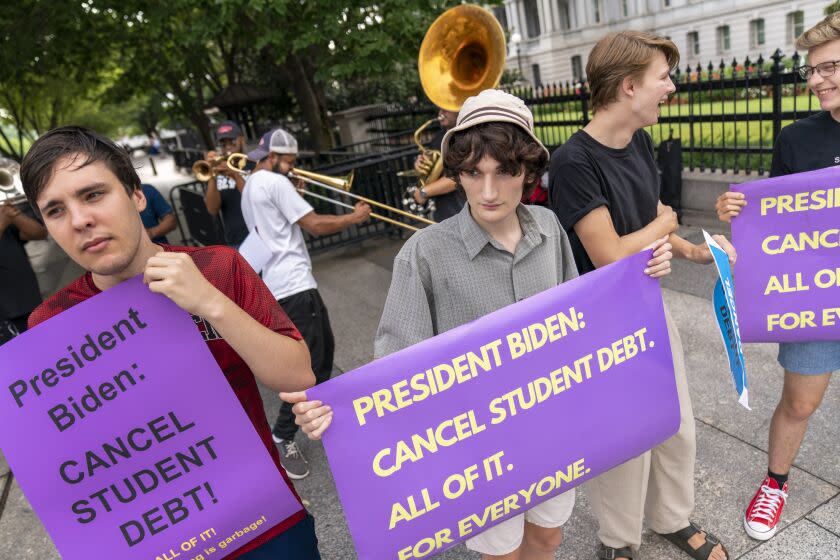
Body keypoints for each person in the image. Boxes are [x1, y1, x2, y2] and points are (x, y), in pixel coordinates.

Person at [284, 89, 675, 560]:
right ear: (458, 173)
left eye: (505, 172)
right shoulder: (424, 253)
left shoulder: (550, 228)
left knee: (549, 536)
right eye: (472, 173)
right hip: (481, 451)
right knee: (502, 552)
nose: (488, 191)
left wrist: (638, 276)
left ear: (528, 171)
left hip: (552, 428)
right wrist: (337, 413)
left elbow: (581, 319)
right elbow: (393, 368)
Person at [19, 126, 322, 559]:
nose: (80, 221)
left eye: (93, 195)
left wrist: (210, 303)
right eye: (55, 210)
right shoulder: (51, 324)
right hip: (157, 539)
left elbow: (296, 374)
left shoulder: (219, 268)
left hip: (265, 525)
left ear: (137, 196)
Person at [549, 31, 736, 560]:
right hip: (599, 322)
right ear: (629, 86)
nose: (670, 88)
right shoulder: (573, 162)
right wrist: (666, 222)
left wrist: (693, 250)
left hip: (647, 304)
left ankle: (672, 519)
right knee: (623, 441)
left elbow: (646, 222)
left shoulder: (639, 141)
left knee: (675, 422)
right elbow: (609, 253)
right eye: (663, 78)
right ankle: (619, 542)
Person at [715, 12, 840, 542]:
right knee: (800, 403)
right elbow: (776, 222)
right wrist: (737, 215)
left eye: (829, 66)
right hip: (816, 297)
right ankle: (775, 482)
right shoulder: (797, 139)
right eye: (811, 71)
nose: (816, 80)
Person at [240, 127, 371, 480]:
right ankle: (283, 435)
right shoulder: (275, 182)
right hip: (294, 284)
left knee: (320, 355)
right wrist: (354, 218)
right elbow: (314, 225)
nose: (294, 167)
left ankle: (322, 422)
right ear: (273, 158)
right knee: (314, 362)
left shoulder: (251, 184)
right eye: (291, 161)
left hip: (279, 285)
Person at [0, 200, 47, 344]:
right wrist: (2, 224)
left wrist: (15, 215)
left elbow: (39, 233)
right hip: (6, 313)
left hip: (29, 300)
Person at [412, 106, 466, 220]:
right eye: (439, 108)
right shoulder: (439, 137)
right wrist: (421, 164)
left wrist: (423, 192)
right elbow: (432, 167)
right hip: (443, 210)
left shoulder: (467, 136)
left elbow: (459, 176)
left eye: (446, 108)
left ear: (459, 108)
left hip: (460, 209)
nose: (441, 113)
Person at [205, 121, 249, 247]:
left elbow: (253, 198)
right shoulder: (220, 170)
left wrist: (235, 174)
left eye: (232, 141)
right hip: (235, 240)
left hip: (258, 236)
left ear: (242, 140)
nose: (228, 147)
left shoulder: (254, 165)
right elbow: (212, 209)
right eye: (223, 144)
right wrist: (212, 175)